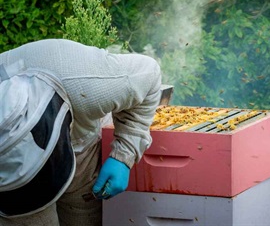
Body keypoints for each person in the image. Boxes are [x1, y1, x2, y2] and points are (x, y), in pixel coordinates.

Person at [0, 38, 163, 226]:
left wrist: (124, 154)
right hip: (13, 192)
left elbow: (150, 74)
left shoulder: (88, 83)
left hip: (81, 148)